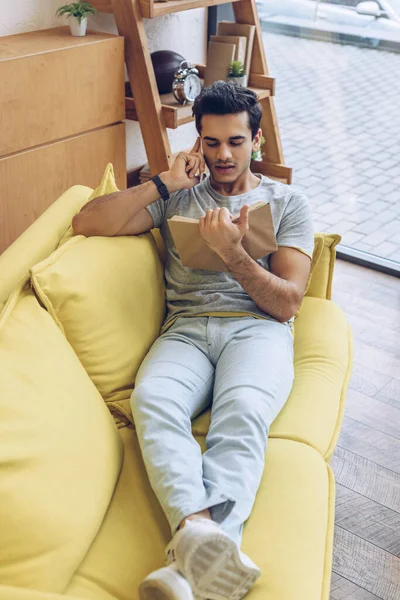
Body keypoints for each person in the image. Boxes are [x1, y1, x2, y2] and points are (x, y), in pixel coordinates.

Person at [72, 81, 314, 600]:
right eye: (211, 142)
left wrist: (233, 253)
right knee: (152, 399)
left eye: (235, 141)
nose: (223, 154)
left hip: (258, 329)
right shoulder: (180, 193)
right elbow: (88, 221)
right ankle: (200, 537)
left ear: (256, 142)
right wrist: (162, 183)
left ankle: (188, 565)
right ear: (197, 141)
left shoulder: (288, 201)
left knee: (243, 407)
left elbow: (288, 303)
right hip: (185, 330)